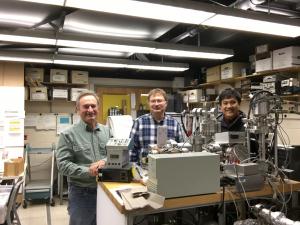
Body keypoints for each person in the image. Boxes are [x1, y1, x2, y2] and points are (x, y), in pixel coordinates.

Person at [56, 91, 110, 225]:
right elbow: (62, 165)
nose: (90, 110)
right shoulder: (68, 135)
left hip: (107, 190)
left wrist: (105, 161)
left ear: (98, 107)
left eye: (93, 106)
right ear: (77, 109)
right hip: (82, 193)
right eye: (86, 106)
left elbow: (116, 155)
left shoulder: (107, 131)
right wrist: (88, 171)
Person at [130, 88, 184, 163]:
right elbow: (132, 149)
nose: (156, 104)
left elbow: (181, 148)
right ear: (148, 103)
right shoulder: (139, 122)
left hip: (169, 167)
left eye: (159, 100)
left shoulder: (174, 124)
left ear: (166, 103)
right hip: (144, 169)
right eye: (153, 101)